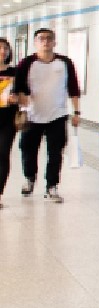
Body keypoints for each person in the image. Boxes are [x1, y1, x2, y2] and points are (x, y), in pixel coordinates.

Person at [12, 28, 82, 202]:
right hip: (32, 115)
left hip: (57, 115)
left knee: (55, 152)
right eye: (41, 38)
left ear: (54, 42)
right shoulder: (27, 63)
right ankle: (29, 178)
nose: (45, 41)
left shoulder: (64, 63)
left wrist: (76, 112)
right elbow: (18, 87)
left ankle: (52, 186)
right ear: (35, 42)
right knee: (27, 149)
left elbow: (73, 88)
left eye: (49, 38)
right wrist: (21, 100)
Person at [0, 40, 16, 208]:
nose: (3, 51)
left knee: (3, 155)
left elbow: (24, 94)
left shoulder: (14, 72)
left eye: (5, 48)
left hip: (7, 122)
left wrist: (16, 99)